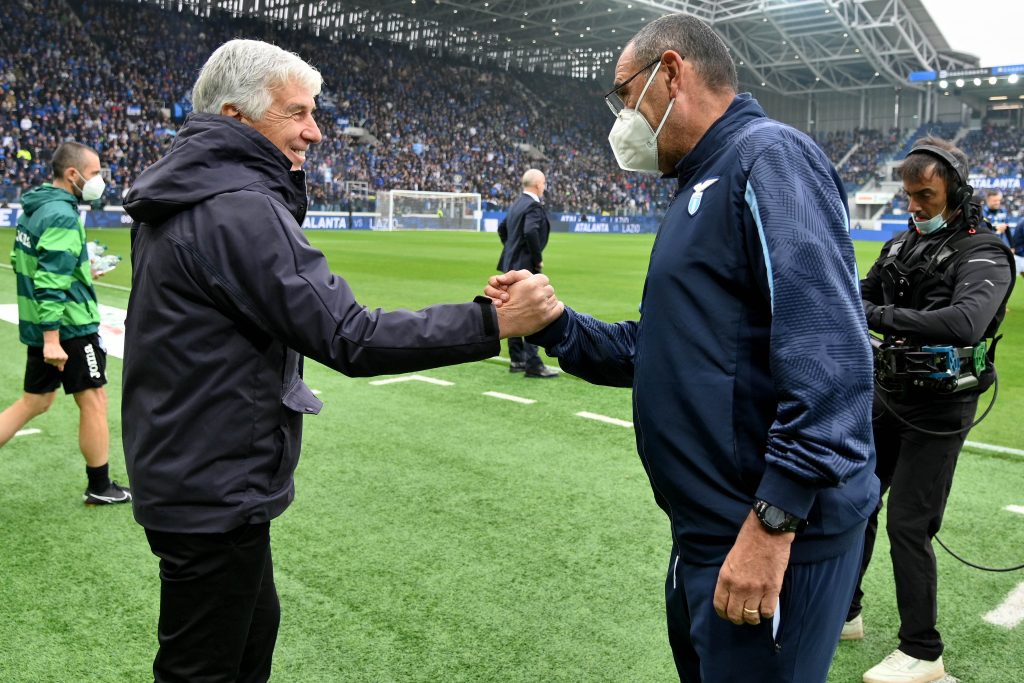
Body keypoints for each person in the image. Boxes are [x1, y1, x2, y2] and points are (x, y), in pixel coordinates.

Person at [120, 39, 561, 683]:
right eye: (297, 113)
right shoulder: (235, 208)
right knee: (206, 666)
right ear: (239, 117)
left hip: (192, 470)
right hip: (209, 484)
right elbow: (350, 336)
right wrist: (491, 322)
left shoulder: (188, 192)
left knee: (245, 639)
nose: (315, 131)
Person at [487, 14, 876, 683]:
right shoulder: (702, 180)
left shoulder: (768, 157)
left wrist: (773, 518)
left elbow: (831, 357)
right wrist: (556, 326)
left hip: (765, 533)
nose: (621, 117)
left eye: (623, 93)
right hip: (706, 531)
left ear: (671, 72)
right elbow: (660, 350)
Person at [843, 137, 1014, 683]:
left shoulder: (985, 252)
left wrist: (876, 314)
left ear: (956, 193)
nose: (914, 206)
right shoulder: (900, 246)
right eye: (908, 194)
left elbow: (966, 322)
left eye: (926, 195)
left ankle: (923, 653)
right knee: (856, 502)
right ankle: (843, 611)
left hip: (942, 408)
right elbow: (858, 293)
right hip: (889, 393)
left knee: (909, 525)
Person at [0, 141, 130, 506]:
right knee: (94, 400)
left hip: (46, 323)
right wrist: (52, 339)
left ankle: (100, 484)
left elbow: (31, 262)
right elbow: (50, 281)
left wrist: (83, 272)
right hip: (69, 327)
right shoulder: (61, 213)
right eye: (94, 173)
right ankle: (100, 486)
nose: (99, 180)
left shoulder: (35, 207)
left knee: (34, 402)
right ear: (72, 174)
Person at [496, 169, 558, 378]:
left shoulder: (516, 204)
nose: (544, 187)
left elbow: (502, 228)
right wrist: (536, 257)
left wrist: (511, 249)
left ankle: (517, 360)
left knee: (512, 309)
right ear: (538, 185)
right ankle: (533, 364)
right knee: (530, 310)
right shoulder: (532, 206)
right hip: (524, 266)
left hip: (510, 264)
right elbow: (531, 231)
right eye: (544, 183)